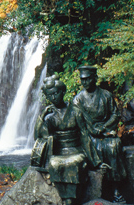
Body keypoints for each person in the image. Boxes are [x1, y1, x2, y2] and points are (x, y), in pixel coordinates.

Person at [33, 74, 103, 205]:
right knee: (55, 164)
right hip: (58, 151)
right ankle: (66, 198)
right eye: (49, 96)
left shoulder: (76, 111)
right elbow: (38, 137)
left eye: (55, 93)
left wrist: (96, 161)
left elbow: (84, 135)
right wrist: (41, 117)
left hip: (75, 149)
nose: (53, 98)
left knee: (73, 164)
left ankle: (71, 199)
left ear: (62, 91)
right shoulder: (49, 116)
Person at [73, 66, 127, 202]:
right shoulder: (78, 100)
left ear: (94, 79)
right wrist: (91, 130)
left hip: (105, 131)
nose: (84, 82)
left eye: (87, 79)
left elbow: (115, 114)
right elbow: (78, 121)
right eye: (82, 80)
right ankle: (95, 190)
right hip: (88, 134)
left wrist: (104, 127)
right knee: (92, 146)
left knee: (113, 147)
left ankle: (116, 190)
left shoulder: (106, 95)